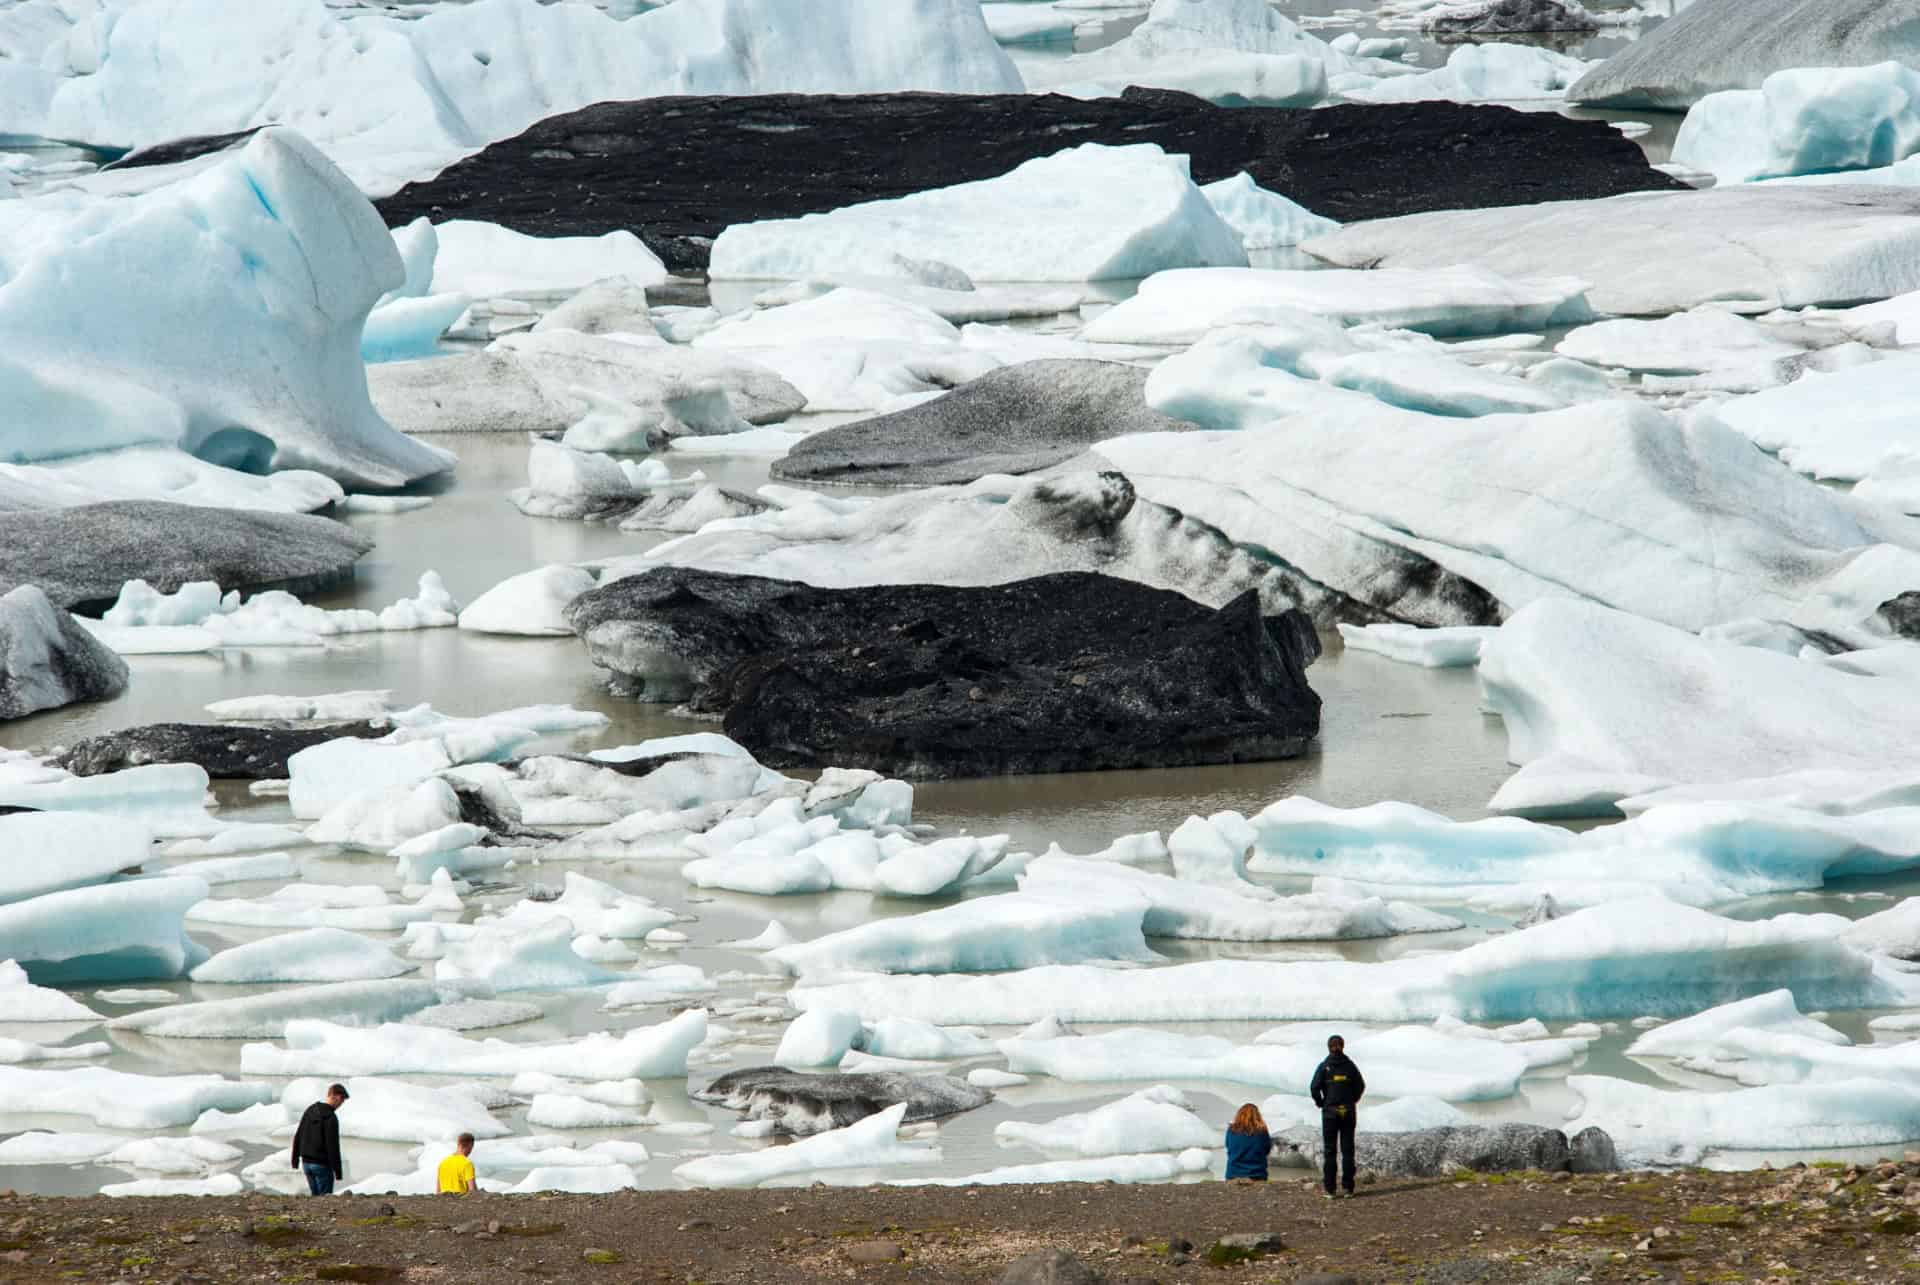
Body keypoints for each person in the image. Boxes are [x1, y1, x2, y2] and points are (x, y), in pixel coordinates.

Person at [1310, 1034, 1365, 1198]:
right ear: (1343, 1046)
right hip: (1348, 1111)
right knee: (1348, 1150)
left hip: (1330, 1113)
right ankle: (1348, 1188)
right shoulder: (1349, 1065)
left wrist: (1321, 1103)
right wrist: (1352, 1100)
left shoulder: (1324, 1066)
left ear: (1329, 1047)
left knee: (1330, 1151)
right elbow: (1360, 1085)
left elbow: (1314, 1087)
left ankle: (1330, 1190)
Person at [291, 1083, 348, 1195]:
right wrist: (338, 1172)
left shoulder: (310, 1110)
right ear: (335, 1096)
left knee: (315, 1199)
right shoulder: (331, 1117)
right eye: (342, 1100)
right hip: (322, 1165)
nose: (341, 1104)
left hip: (306, 1164)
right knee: (324, 1200)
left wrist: (295, 1160)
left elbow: (299, 1134)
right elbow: (333, 1146)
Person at [1223, 1103, 1274, 1181]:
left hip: (1233, 1174)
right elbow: (1267, 1150)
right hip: (1257, 1174)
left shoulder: (1231, 1130)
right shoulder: (1262, 1131)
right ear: (1257, 1116)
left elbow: (1228, 1147)